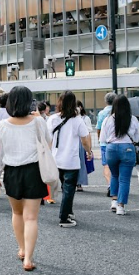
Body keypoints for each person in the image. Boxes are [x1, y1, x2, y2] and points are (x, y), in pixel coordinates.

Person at [0, 86, 50, 271]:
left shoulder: (2, 125)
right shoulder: (38, 122)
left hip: (12, 172)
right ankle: (29, 259)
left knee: (16, 213)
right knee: (31, 218)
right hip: (33, 171)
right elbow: (48, 142)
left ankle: (22, 249)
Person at [47, 92, 91, 227]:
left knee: (65, 188)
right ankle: (64, 217)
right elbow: (84, 140)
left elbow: (48, 140)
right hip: (71, 161)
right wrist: (89, 151)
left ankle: (68, 211)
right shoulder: (77, 120)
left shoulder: (52, 119)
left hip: (55, 159)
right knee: (69, 189)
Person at [101, 95, 139, 216]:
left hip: (111, 148)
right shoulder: (133, 119)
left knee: (114, 175)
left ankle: (113, 201)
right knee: (124, 179)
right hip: (127, 148)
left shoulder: (108, 119)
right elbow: (137, 138)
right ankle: (121, 207)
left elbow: (102, 138)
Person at [96, 93, 116, 194]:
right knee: (117, 166)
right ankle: (116, 185)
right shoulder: (119, 111)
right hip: (117, 142)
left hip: (105, 143)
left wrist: (99, 139)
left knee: (107, 165)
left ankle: (110, 185)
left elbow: (98, 128)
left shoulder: (102, 113)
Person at [75, 101, 93, 191]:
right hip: (73, 142)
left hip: (81, 142)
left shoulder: (85, 118)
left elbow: (88, 134)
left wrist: (89, 148)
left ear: (81, 107)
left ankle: (79, 183)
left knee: (81, 163)